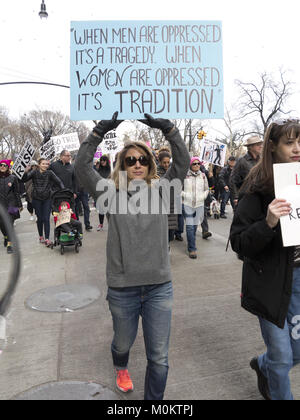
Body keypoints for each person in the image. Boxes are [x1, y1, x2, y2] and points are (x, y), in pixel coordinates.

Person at [75, 112, 190, 400]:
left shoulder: (164, 190)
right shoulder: (108, 193)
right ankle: (121, 364)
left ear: (150, 164)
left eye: (143, 159)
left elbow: (182, 162)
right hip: (122, 290)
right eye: (130, 160)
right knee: (122, 343)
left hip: (159, 288)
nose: (137, 164)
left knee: (159, 358)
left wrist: (168, 128)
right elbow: (81, 166)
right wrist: (101, 130)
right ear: (122, 165)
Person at [230, 118, 300, 400]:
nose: (297, 148)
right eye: (289, 142)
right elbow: (239, 243)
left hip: (298, 281)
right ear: (273, 146)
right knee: (282, 358)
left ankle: (263, 364)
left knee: (295, 352)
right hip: (270, 282)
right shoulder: (258, 187)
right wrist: (268, 222)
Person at [22, 158, 64, 246]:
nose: (46, 165)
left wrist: (63, 190)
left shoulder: (50, 173)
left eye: (47, 164)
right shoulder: (34, 172)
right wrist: (25, 171)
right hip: (36, 199)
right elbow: (24, 180)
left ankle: (47, 239)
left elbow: (58, 181)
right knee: (40, 219)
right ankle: (41, 236)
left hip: (47, 199)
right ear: (39, 164)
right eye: (43, 164)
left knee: (46, 219)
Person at [182, 157, 209, 259]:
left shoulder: (202, 175)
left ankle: (191, 241)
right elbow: (179, 189)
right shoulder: (185, 176)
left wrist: (202, 197)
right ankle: (192, 249)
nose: (197, 165)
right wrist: (187, 196)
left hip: (199, 205)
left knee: (194, 227)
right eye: (194, 164)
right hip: (187, 204)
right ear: (190, 165)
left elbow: (206, 189)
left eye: (198, 164)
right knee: (189, 226)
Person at [230, 135, 263, 207]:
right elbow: (233, 180)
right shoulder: (241, 161)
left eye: (261, 144)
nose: (261, 146)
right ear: (250, 147)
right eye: (258, 145)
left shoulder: (262, 160)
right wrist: (236, 197)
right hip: (246, 197)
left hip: (260, 197)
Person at [0, 159, 22, 254]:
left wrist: (19, 204)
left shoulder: (13, 178)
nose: (2, 167)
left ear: (8, 167)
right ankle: (5, 236)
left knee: (10, 223)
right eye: (1, 165)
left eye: (4, 165)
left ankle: (9, 244)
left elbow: (17, 192)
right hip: (1, 205)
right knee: (2, 224)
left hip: (11, 204)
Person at [157, 151, 178, 248]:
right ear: (159, 161)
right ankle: (163, 251)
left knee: (170, 233)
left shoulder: (172, 171)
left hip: (172, 205)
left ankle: (167, 246)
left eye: (168, 162)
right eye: (164, 162)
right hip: (160, 206)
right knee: (161, 232)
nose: (166, 164)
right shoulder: (155, 173)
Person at [96, 155, 111, 231]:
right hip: (101, 192)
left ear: (106, 161)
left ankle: (111, 225)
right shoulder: (99, 170)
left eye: (104, 161)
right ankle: (101, 224)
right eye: (101, 161)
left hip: (110, 192)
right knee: (101, 209)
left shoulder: (111, 169)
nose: (102, 162)